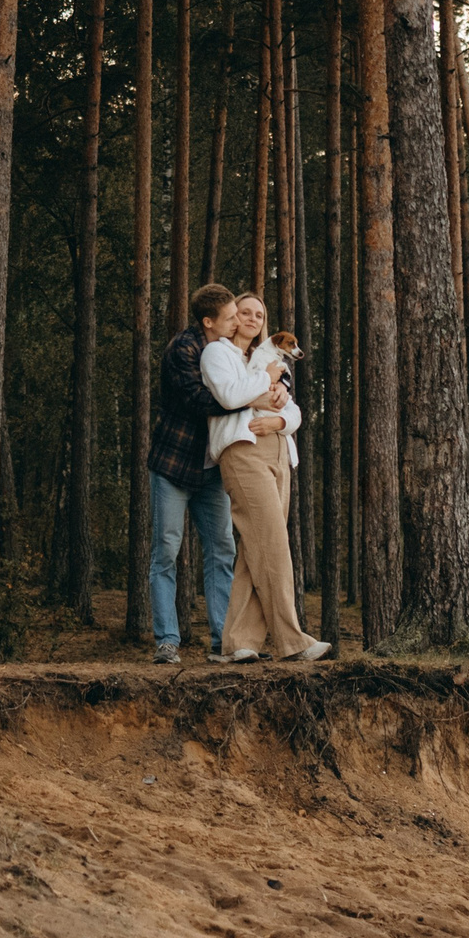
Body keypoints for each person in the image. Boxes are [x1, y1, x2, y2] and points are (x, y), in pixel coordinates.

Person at [204, 292, 328, 663]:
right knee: (272, 543)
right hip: (243, 450)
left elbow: (294, 412)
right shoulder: (219, 353)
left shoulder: (269, 358)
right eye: (244, 312)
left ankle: (239, 642)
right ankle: (293, 642)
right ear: (231, 318)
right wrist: (266, 382)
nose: (252, 318)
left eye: (259, 314)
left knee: (255, 547)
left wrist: (278, 420)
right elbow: (229, 397)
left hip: (279, 451)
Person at [147, 283, 264, 665]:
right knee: (166, 551)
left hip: (211, 467)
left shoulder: (232, 351)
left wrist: (265, 391)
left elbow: (263, 372)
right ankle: (167, 641)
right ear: (208, 322)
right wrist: (251, 396)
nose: (237, 323)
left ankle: (223, 639)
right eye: (230, 318)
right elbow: (201, 401)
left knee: (222, 549)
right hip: (173, 464)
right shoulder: (183, 350)